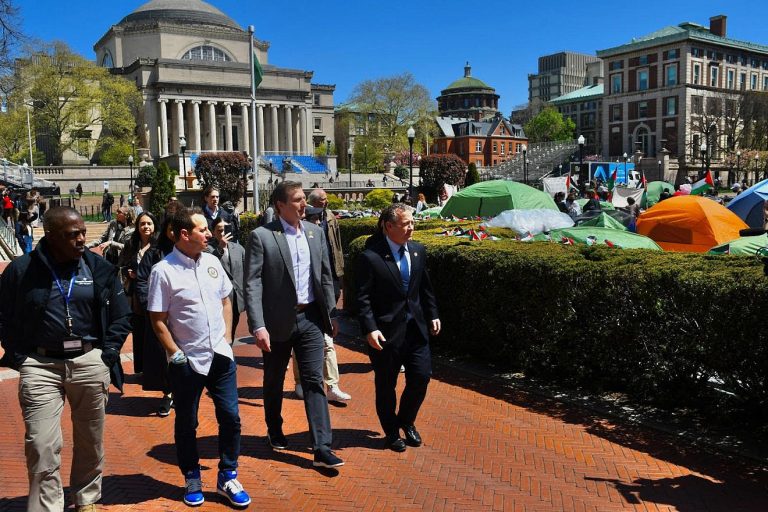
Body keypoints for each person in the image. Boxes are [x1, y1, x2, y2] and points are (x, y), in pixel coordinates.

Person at [0, 206, 131, 511]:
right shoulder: (22, 270)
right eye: (73, 235)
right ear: (52, 236)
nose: (82, 239)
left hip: (88, 362)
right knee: (41, 443)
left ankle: (86, 499)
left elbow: (121, 316)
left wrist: (107, 355)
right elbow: (3, 315)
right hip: (41, 365)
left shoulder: (97, 268)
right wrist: (21, 357)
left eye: (83, 232)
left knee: (90, 439)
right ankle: (48, 506)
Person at [148, 207, 250, 508]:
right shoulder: (163, 271)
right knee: (187, 422)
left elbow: (226, 300)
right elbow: (157, 320)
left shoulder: (213, 262)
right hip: (188, 360)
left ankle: (228, 474)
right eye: (203, 230)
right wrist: (175, 353)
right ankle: (192, 475)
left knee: (231, 417)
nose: (209, 234)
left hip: (220, 355)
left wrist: (228, 340)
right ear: (184, 234)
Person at [244, 180, 344, 469]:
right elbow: (252, 283)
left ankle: (322, 447)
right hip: (276, 322)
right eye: (298, 200)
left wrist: (331, 313)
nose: (304, 205)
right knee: (274, 380)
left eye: (304, 199)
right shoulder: (262, 236)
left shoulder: (314, 233)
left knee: (314, 380)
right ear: (280, 206)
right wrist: (258, 325)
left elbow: (325, 277)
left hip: (311, 318)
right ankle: (274, 427)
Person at [355, 203, 440, 452]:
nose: (411, 228)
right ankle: (391, 431)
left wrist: (433, 314)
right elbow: (363, 298)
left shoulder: (417, 251)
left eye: (413, 223)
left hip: (416, 331)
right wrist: (369, 328)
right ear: (389, 226)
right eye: (406, 224)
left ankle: (407, 420)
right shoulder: (370, 257)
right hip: (385, 334)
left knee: (421, 377)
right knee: (386, 384)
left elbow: (425, 288)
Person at [292, 189, 351, 403]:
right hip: (301, 303)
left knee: (328, 342)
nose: (317, 222)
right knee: (299, 344)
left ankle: (333, 385)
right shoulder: (293, 238)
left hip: (324, 289)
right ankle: (300, 381)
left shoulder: (330, 221)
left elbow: (334, 252)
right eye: (313, 217)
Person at [135, 206, 178, 416]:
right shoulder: (155, 252)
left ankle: (178, 391)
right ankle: (168, 393)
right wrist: (148, 305)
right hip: (161, 315)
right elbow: (142, 280)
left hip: (183, 316)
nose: (173, 233)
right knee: (164, 356)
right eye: (170, 228)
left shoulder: (188, 251)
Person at [117, 211, 158, 377]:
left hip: (155, 294)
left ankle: (155, 369)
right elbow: (122, 264)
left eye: (149, 223)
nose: (146, 227)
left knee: (155, 332)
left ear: (154, 225)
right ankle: (141, 369)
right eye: (143, 224)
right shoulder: (132, 244)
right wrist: (129, 273)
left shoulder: (159, 245)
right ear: (137, 226)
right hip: (136, 296)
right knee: (139, 331)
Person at [209, 217, 246, 341]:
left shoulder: (239, 249)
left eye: (225, 229)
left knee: (232, 331)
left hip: (236, 299)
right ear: (213, 232)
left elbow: (246, 272)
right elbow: (208, 265)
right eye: (219, 230)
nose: (223, 233)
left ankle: (229, 353)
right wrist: (220, 248)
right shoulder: (208, 249)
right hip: (218, 299)